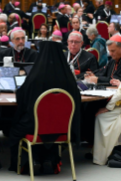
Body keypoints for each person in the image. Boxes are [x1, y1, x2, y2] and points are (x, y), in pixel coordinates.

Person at [9, 41, 81, 173]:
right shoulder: (68, 78)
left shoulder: (35, 77)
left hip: (35, 124)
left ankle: (27, 161)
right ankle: (50, 158)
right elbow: (77, 99)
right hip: (62, 125)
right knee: (49, 127)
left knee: (13, 129)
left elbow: (22, 98)